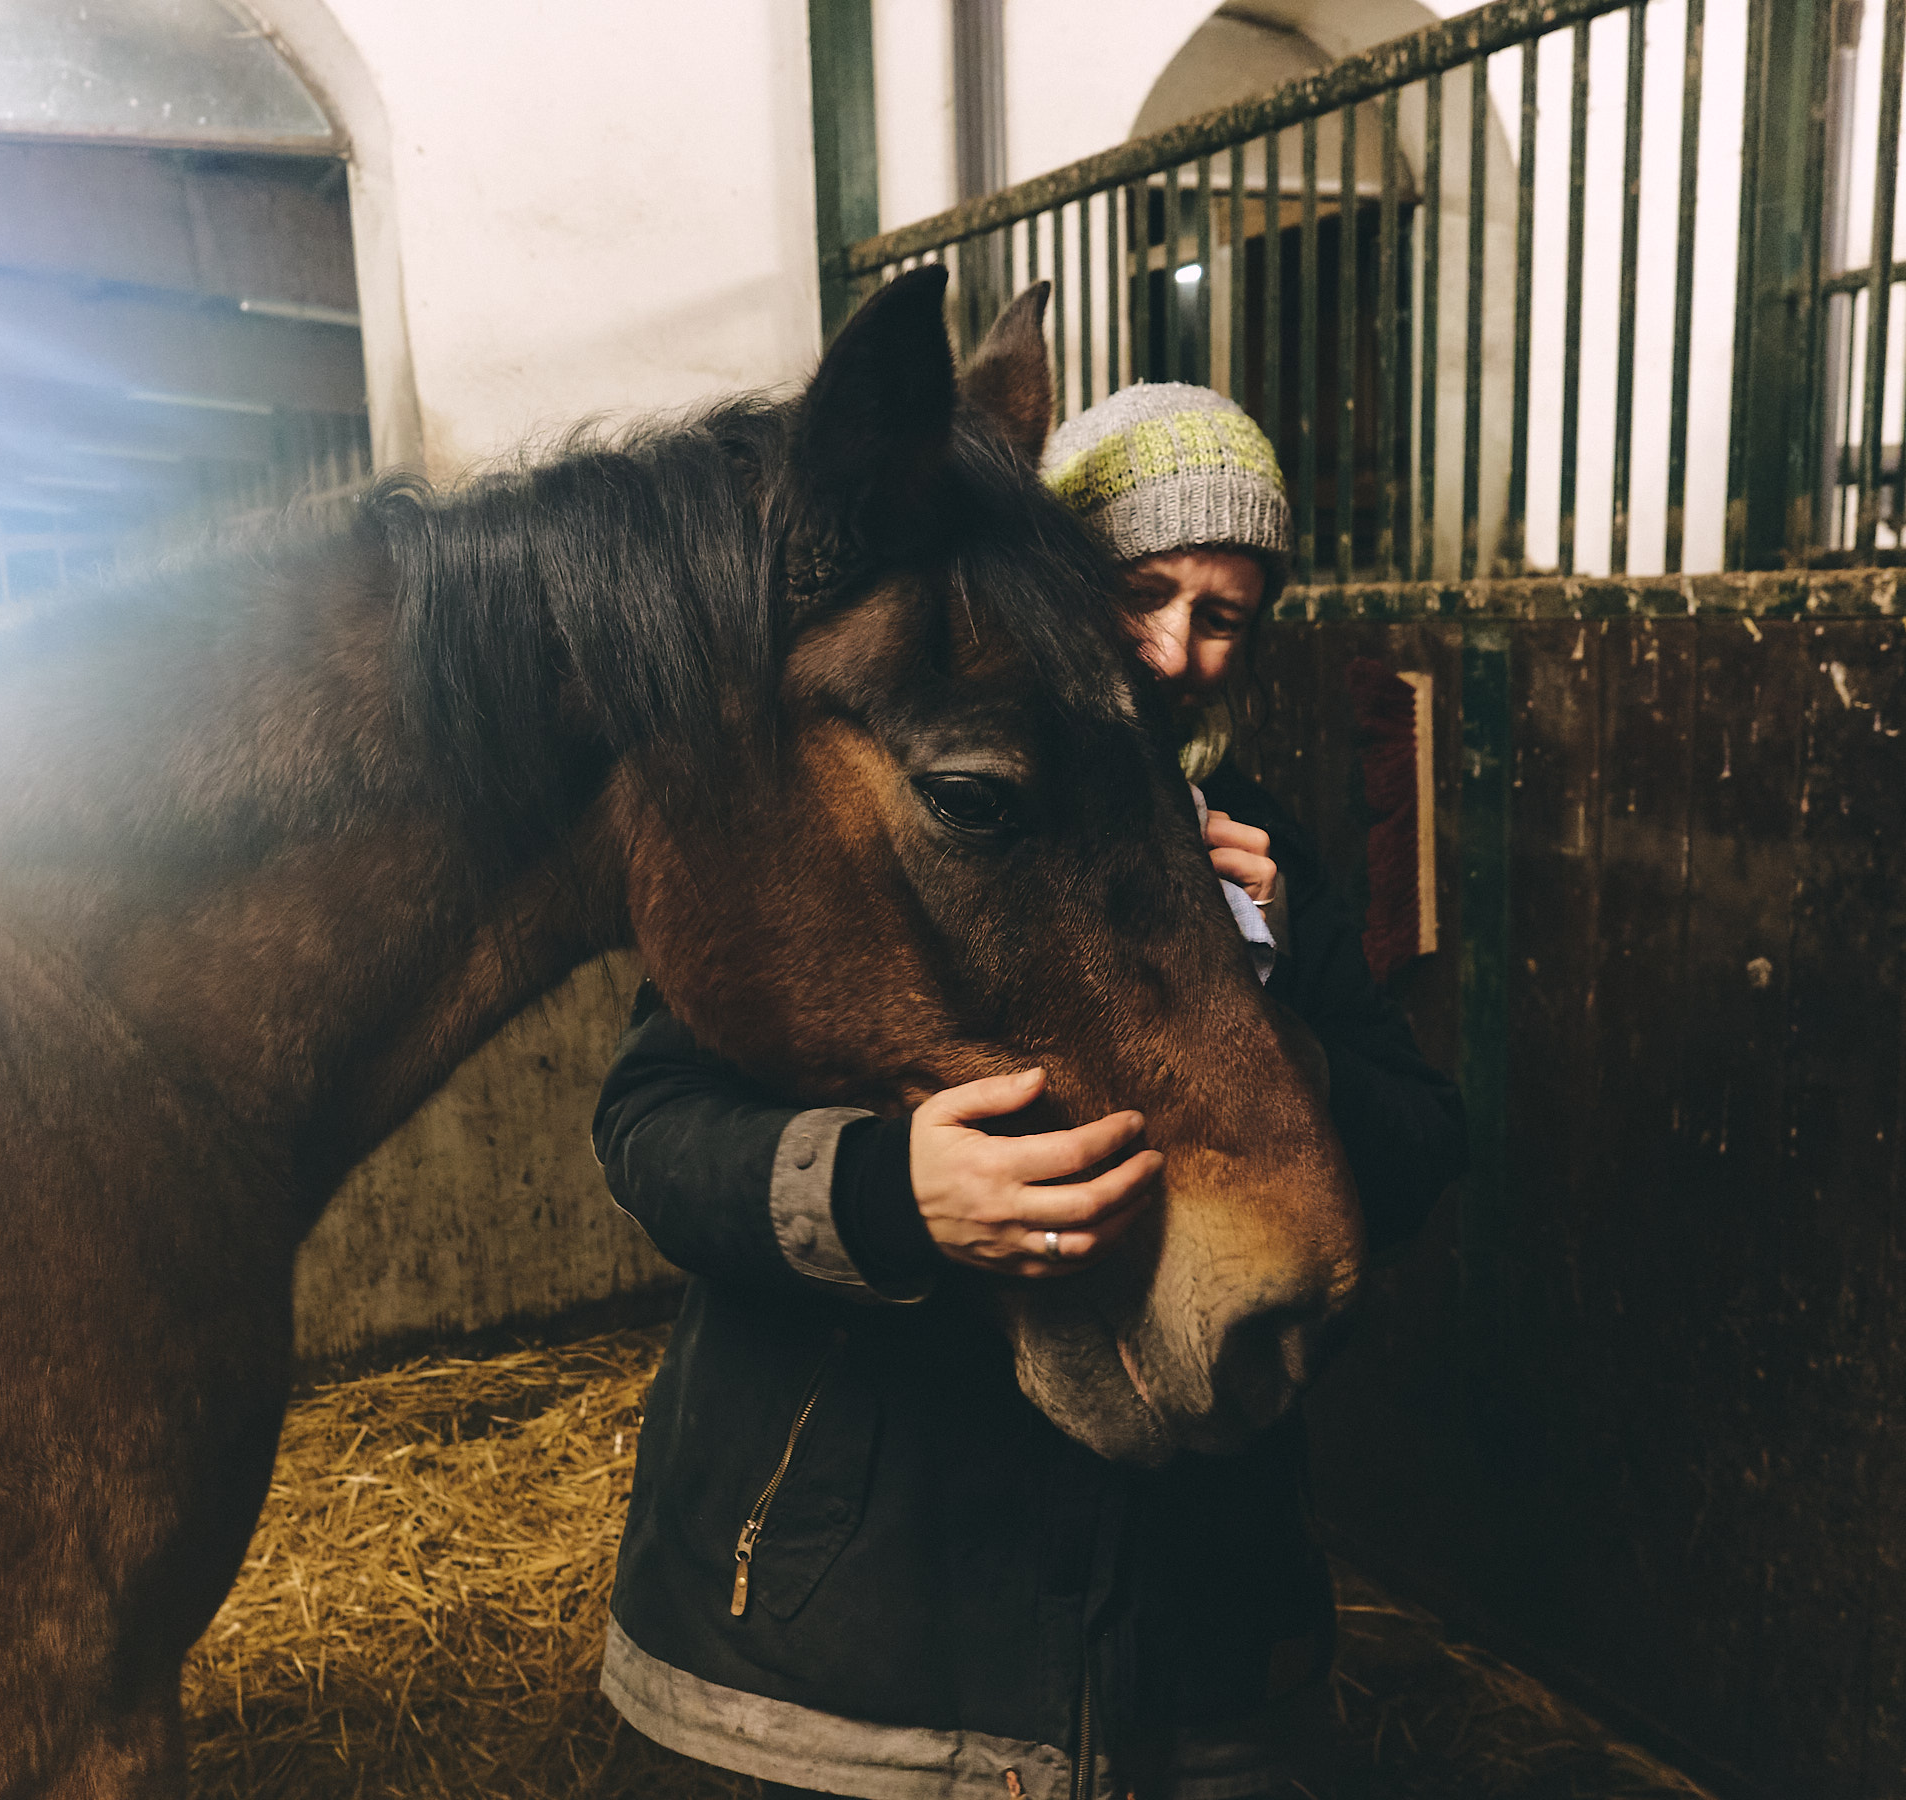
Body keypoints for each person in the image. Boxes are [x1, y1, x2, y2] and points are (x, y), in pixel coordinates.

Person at [593, 383, 1467, 1800]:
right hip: (853, 1651)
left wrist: (1266, 1005)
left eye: (1226, 613)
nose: (1177, 649)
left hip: (1182, 1666)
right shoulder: (883, 799)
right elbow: (650, 1119)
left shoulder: (1260, 853)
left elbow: (1423, 1146)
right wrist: (886, 1194)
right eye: (1143, 590)